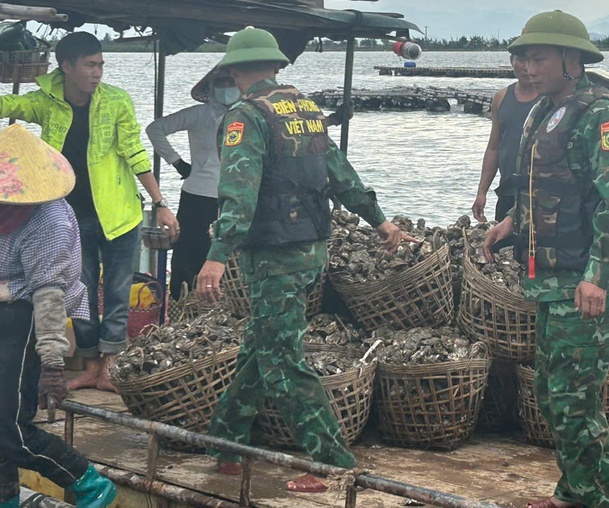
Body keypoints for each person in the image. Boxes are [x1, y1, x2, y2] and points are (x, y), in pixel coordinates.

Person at [195, 27, 414, 492]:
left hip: (274, 253)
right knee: (260, 347)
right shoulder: (305, 110)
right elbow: (341, 174)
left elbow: (238, 196)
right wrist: (380, 221)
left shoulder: (245, 117)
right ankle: (226, 444)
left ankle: (332, 461)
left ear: (232, 71)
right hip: (311, 247)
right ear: (276, 65)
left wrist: (216, 257)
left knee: (280, 359)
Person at [483, 11, 609, 508]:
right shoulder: (539, 112)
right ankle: (575, 492)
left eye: (538, 57)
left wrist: (598, 277)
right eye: (523, 57)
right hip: (548, 278)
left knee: (575, 400)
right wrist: (510, 222)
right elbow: (540, 187)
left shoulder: (601, 117)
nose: (526, 67)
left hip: (583, 279)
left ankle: (597, 500)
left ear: (572, 60)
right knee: (552, 393)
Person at [0, 31, 179, 392]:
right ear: (66, 67)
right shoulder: (46, 102)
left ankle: (109, 366)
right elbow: (8, 107)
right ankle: (89, 363)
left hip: (119, 213)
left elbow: (135, 152)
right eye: (89, 65)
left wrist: (160, 203)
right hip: (66, 217)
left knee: (116, 292)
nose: (97, 72)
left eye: (100, 65)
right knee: (76, 292)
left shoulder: (116, 101)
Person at [0, 124, 117, 508]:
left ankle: (88, 483)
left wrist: (52, 364)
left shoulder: (50, 220)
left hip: (30, 311)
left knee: (9, 429)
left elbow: (48, 295)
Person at [147, 72, 240, 300]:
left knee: (232, 257)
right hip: (198, 196)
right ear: (211, 88)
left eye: (232, 82)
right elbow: (155, 129)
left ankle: (228, 303)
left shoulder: (248, 115)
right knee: (190, 253)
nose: (227, 87)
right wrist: (177, 163)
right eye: (222, 83)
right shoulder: (199, 114)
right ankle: (182, 302)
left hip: (236, 196)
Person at [472, 53, 538, 222]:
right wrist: (482, 192)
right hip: (508, 190)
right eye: (521, 59)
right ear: (512, 61)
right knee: (502, 245)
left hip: (540, 193)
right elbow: (494, 148)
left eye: (533, 59)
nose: (526, 67)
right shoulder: (501, 98)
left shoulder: (550, 99)